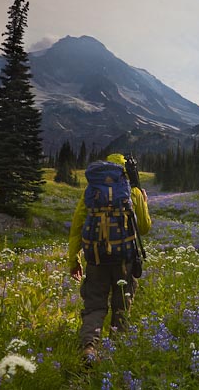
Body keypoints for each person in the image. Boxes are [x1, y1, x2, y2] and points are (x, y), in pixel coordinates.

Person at [67, 153, 151, 362]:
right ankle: (115, 350)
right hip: (125, 259)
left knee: (94, 305)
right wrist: (143, 200)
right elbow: (144, 227)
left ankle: (89, 347)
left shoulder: (91, 191)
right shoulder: (132, 191)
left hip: (96, 257)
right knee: (122, 303)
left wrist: (74, 260)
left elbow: (77, 227)